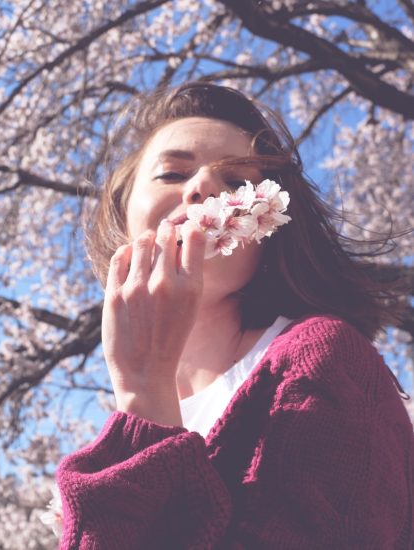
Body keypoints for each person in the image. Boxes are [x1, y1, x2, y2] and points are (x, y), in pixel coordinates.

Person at [55, 83, 414, 549]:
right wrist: (143, 400)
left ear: (269, 233)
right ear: (123, 214)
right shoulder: (126, 416)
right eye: (171, 173)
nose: (202, 186)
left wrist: (144, 396)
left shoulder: (324, 361)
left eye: (237, 184)